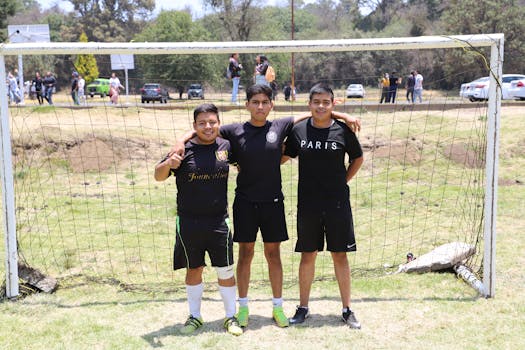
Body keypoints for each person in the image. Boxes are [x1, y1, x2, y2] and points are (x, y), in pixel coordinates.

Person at [172, 84, 361, 330]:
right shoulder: (233, 130)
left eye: (265, 102)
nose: (260, 106)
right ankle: (243, 308)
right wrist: (180, 139)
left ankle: (278, 307)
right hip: (245, 203)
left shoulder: (280, 126)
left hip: (274, 202)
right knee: (245, 254)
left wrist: (343, 115)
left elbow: (315, 113)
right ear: (247, 104)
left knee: (274, 255)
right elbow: (207, 128)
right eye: (255, 102)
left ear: (271, 104)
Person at [154, 103, 243, 336]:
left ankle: (230, 317)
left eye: (212, 122)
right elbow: (158, 175)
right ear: (194, 126)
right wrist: (168, 164)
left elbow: (242, 165)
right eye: (202, 123)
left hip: (219, 222)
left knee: (225, 270)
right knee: (194, 269)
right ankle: (195, 316)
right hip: (189, 222)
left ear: (218, 124)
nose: (208, 126)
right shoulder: (183, 150)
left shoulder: (226, 146)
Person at [282, 83, 364, 329]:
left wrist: (342, 181)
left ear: (333, 104)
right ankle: (303, 307)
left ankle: (347, 309)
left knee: (340, 254)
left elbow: (358, 157)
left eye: (325, 102)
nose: (320, 106)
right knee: (308, 254)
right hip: (308, 204)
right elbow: (284, 157)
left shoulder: (343, 131)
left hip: (337, 203)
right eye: (316, 102)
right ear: (309, 104)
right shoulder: (299, 131)